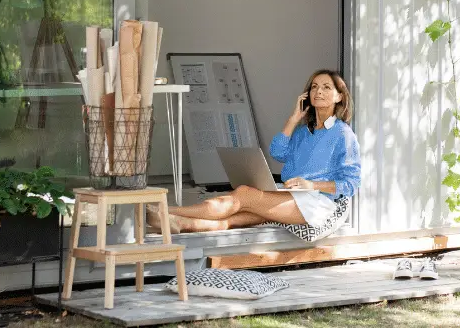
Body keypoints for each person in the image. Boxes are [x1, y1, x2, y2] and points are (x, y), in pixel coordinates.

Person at [148, 69, 360, 234]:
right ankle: (181, 224)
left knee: (243, 195)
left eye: (326, 87)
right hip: (291, 196)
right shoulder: (304, 132)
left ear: (339, 97)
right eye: (314, 87)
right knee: (238, 215)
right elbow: (277, 152)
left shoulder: (343, 135)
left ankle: (167, 211)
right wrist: (293, 119)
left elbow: (351, 184)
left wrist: (311, 185)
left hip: (316, 203)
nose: (318, 92)